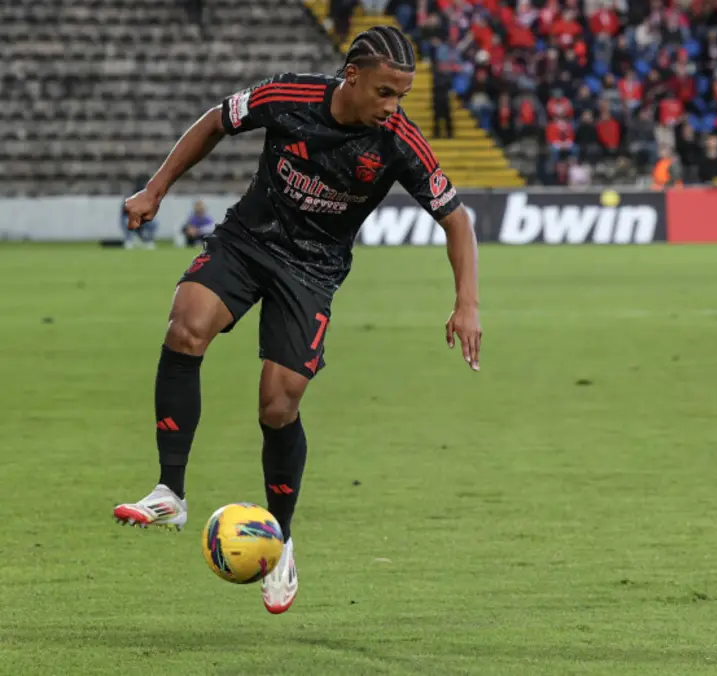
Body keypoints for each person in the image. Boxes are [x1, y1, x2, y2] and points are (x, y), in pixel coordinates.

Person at [112, 26, 482, 615]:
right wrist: (156, 189)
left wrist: (467, 302)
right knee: (186, 324)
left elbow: (456, 219)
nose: (394, 108)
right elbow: (215, 119)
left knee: (278, 406)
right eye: (386, 93)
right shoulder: (287, 97)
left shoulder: (398, 142)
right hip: (246, 240)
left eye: (403, 96)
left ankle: (279, 540)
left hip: (311, 273)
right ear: (352, 77)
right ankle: (170, 491)